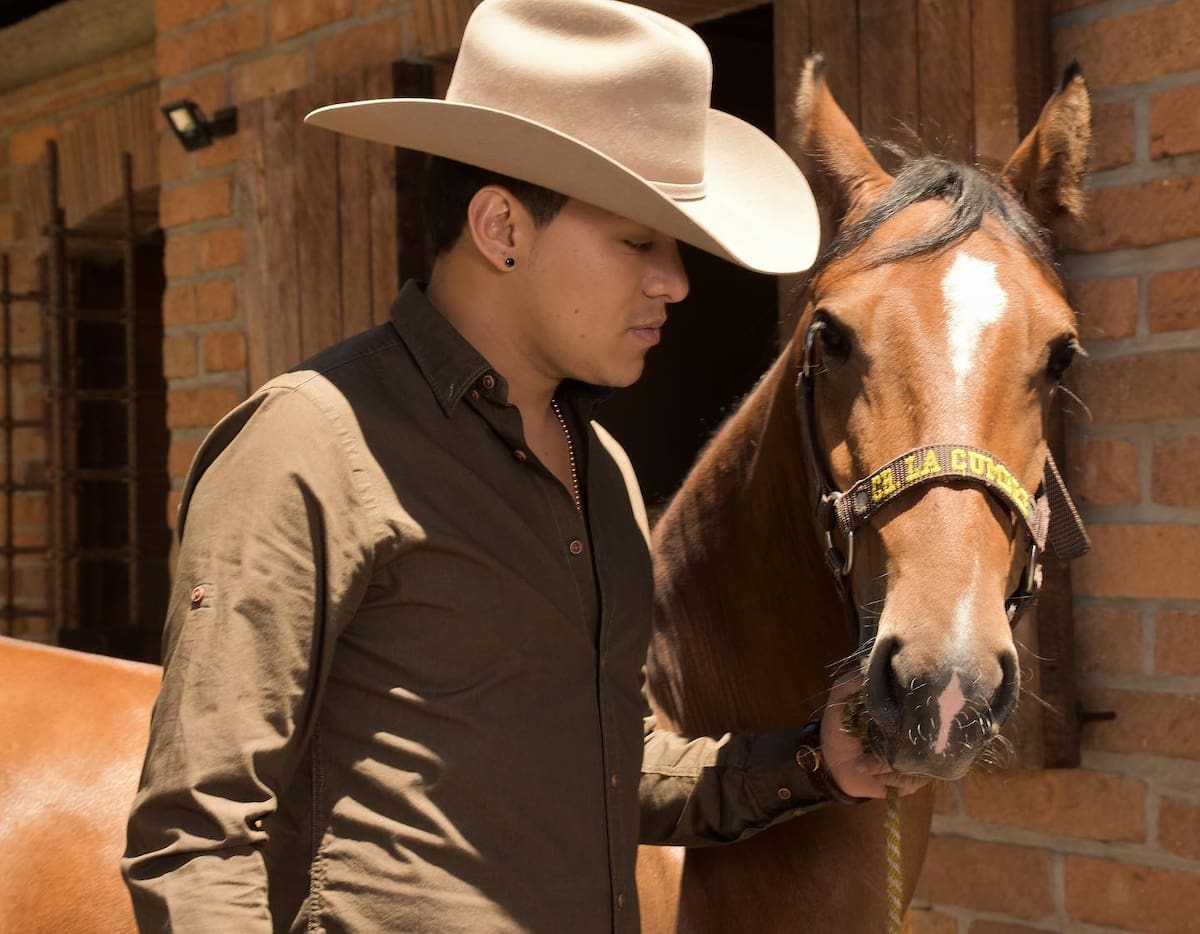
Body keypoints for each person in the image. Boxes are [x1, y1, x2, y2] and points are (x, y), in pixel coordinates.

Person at [122, 1, 926, 931]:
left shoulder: (604, 473)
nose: (676, 281)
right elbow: (196, 836)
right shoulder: (306, 446)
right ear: (502, 227)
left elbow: (610, 774)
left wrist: (814, 761)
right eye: (639, 241)